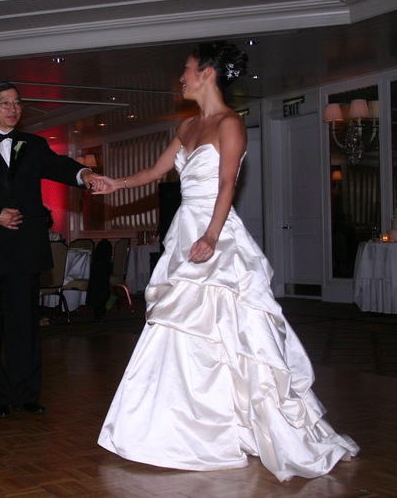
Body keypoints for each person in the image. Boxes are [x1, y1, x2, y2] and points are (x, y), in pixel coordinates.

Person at [91, 41, 358, 481]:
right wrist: (114, 184)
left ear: (207, 73)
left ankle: (254, 425)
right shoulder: (186, 126)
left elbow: (228, 183)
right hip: (185, 231)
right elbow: (156, 172)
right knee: (179, 326)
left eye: (187, 69)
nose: (181, 77)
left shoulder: (230, 124)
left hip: (214, 232)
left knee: (234, 328)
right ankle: (183, 429)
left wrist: (212, 236)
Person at [0, 80, 96, 418]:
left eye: (17, 102)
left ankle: (27, 393)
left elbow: (59, 166)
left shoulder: (33, 144)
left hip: (24, 250)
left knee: (25, 325)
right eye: (5, 103)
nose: (13, 108)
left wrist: (85, 173)